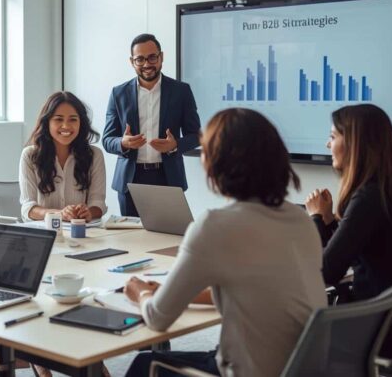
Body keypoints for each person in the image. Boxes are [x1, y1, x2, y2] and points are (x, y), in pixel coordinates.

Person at [124, 108, 326, 377]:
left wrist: (140, 292)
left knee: (144, 365)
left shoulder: (214, 225)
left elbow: (158, 319)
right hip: (304, 369)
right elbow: (259, 290)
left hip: (250, 370)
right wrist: (188, 293)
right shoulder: (301, 220)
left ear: (217, 163)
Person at [305, 104, 392, 366]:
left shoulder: (370, 197)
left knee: (292, 337)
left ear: (355, 144)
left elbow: (325, 273)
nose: (327, 144)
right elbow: (361, 252)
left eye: (333, 137)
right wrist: (327, 222)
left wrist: (314, 218)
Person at [102, 33, 201, 217]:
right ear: (132, 62)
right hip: (130, 180)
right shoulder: (118, 93)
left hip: (167, 177)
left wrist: (175, 145)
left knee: (168, 238)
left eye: (152, 57)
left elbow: (196, 135)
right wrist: (123, 143)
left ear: (161, 57)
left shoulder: (181, 91)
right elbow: (107, 140)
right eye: (140, 59)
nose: (147, 64)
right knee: (132, 241)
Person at [20, 91, 107, 222]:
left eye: (73, 119)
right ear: (47, 122)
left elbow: (98, 203)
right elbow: (28, 208)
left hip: (82, 233)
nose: (66, 126)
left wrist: (89, 212)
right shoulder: (30, 155)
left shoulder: (95, 155)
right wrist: (59, 213)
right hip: (45, 234)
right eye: (58, 119)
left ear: (81, 123)